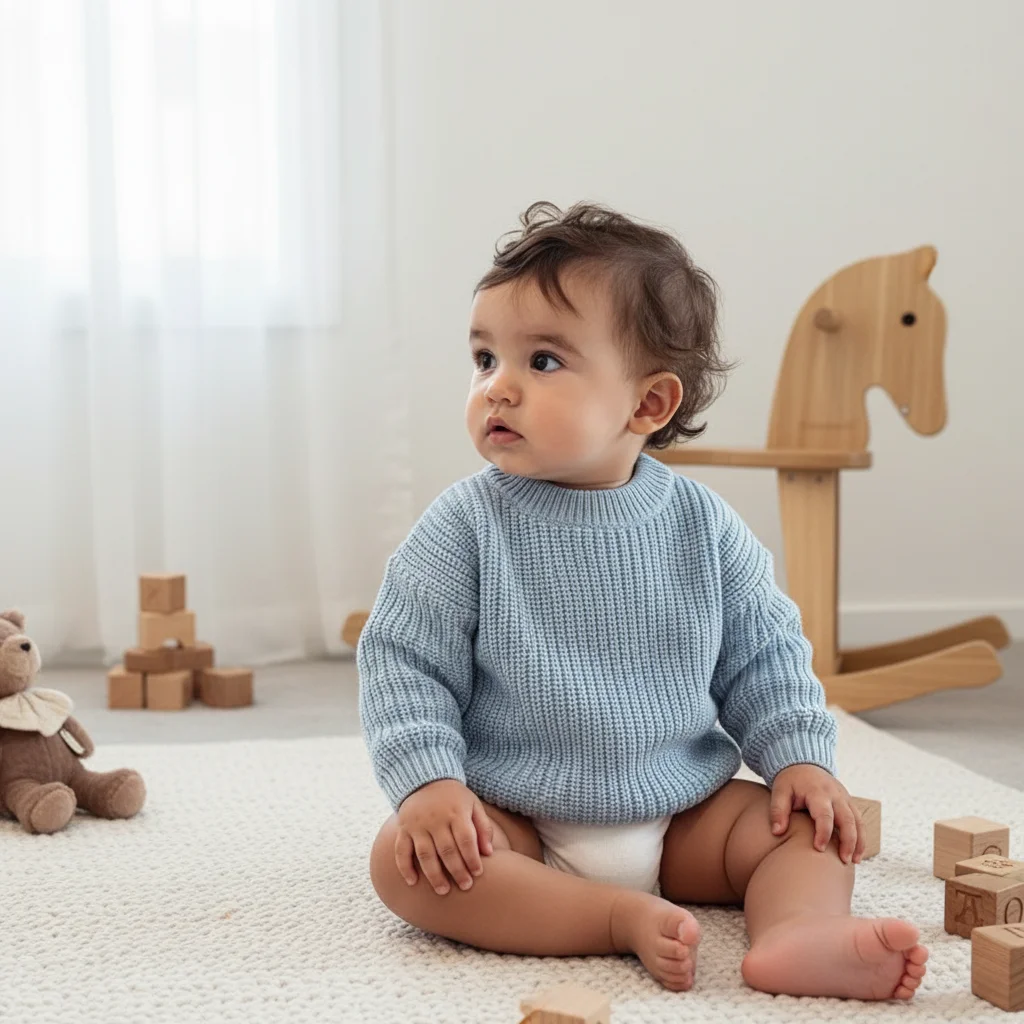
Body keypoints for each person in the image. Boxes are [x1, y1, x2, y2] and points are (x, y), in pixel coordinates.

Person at [358, 201, 928, 999]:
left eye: (542, 361)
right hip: (514, 815)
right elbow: (404, 662)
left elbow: (764, 655)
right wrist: (429, 784)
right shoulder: (464, 525)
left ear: (648, 405)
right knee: (404, 862)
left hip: (684, 811)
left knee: (817, 828)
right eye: (485, 359)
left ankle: (798, 933)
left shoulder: (702, 526)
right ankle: (611, 917)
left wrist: (798, 757)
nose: (498, 389)